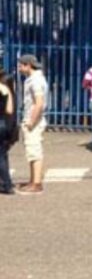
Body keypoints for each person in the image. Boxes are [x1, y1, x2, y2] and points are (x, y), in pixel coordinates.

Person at [15, 54, 48, 194]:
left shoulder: (35, 81)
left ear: (28, 65)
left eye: (20, 65)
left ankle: (37, 183)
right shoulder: (34, 79)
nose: (19, 67)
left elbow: (39, 103)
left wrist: (31, 122)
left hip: (33, 120)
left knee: (34, 151)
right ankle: (32, 180)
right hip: (33, 118)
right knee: (31, 151)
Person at [0, 70, 15, 195]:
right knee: (3, 155)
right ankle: (7, 183)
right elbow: (9, 110)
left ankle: (6, 183)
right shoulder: (5, 88)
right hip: (3, 123)